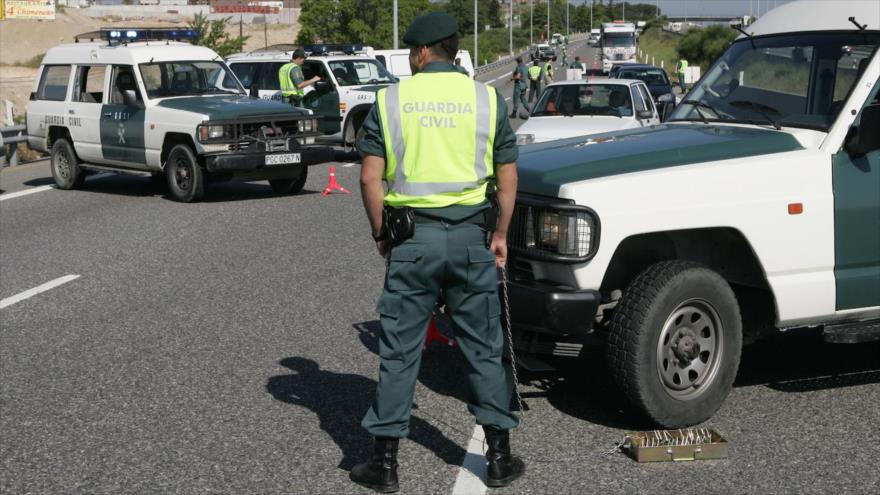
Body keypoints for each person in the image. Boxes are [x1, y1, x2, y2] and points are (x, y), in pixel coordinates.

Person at [353, 11, 524, 493]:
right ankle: (499, 458)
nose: (409, 60)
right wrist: (501, 235)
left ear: (423, 52)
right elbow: (508, 178)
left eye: (411, 52)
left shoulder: (390, 101)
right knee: (482, 348)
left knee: (401, 351)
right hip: (472, 239)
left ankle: (384, 466)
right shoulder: (487, 99)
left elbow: (370, 178)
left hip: (413, 241)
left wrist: (381, 234)